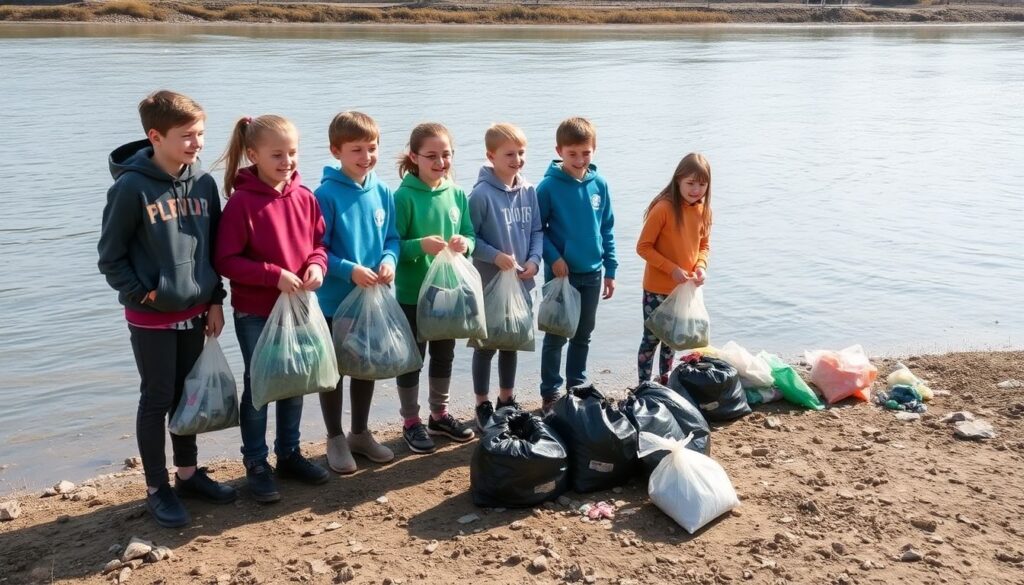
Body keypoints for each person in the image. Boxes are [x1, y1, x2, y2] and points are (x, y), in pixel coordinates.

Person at [98, 90, 236, 528]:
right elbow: (110, 258)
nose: (197, 144)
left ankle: (189, 475)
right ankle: (157, 487)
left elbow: (214, 249)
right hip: (151, 317)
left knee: (188, 393)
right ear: (155, 136)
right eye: (187, 136)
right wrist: (146, 293)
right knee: (157, 397)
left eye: (200, 134)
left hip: (197, 311)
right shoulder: (130, 187)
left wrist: (215, 300)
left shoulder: (204, 183)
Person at [214, 114, 330, 503]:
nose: (287, 161)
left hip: (298, 307)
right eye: (277, 154)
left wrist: (317, 265)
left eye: (293, 152)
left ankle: (290, 453)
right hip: (256, 311)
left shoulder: (305, 196)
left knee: (295, 379)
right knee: (261, 385)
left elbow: (319, 244)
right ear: (253, 155)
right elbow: (226, 260)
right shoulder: (241, 203)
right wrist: (272, 275)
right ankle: (256, 462)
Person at [314, 111, 400, 473]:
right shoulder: (325, 195)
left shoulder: (382, 191)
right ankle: (334, 437)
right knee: (334, 371)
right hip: (335, 301)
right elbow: (316, 248)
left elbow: (391, 238)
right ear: (337, 151)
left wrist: (389, 260)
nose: (366, 156)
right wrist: (349, 270)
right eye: (356, 150)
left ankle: (360, 433)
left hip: (372, 300)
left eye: (372, 147)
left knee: (366, 365)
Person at [393, 122, 476, 454]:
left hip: (448, 291)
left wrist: (463, 243)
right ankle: (411, 421)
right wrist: (418, 246)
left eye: (446, 155)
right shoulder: (403, 196)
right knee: (412, 359)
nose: (440, 162)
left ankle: (439, 415)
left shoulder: (456, 193)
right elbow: (393, 246)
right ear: (414, 157)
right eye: (432, 156)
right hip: (413, 293)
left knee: (445, 355)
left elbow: (471, 235)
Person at [537, 116, 617, 412]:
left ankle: (576, 385)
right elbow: (537, 231)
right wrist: (554, 258)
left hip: (593, 273)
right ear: (559, 151)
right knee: (556, 334)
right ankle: (550, 391)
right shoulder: (548, 187)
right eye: (572, 154)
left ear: (594, 150)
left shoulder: (600, 185)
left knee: (583, 333)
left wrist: (611, 269)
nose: (580, 159)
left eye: (586, 153)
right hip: (561, 275)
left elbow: (606, 227)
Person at [468, 123, 543, 429]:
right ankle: (482, 403)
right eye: (509, 154)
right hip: (488, 284)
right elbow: (469, 239)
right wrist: (495, 256)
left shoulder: (529, 190)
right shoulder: (481, 195)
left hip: (521, 282)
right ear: (491, 156)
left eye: (521, 152)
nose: (517, 159)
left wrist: (535, 260)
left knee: (512, 342)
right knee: (485, 345)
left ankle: (506, 398)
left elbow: (538, 230)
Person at [636, 153, 712, 384]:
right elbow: (643, 247)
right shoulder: (663, 208)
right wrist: (671, 269)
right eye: (690, 183)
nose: (696, 190)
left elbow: (704, 246)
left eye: (702, 184)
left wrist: (701, 266)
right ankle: (643, 384)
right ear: (678, 180)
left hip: (684, 288)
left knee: (673, 339)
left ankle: (665, 380)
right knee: (651, 339)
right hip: (657, 288)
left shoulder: (704, 211)